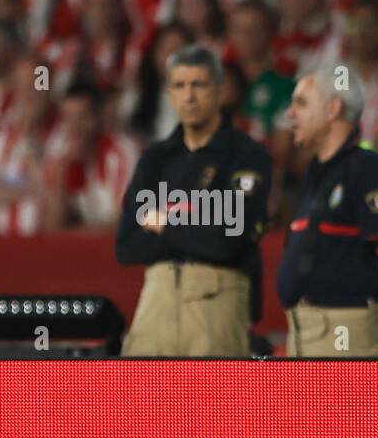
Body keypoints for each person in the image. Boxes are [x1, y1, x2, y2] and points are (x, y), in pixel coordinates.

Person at [115, 45, 271, 356]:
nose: (189, 96)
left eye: (199, 85)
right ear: (169, 93)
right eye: (179, 86)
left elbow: (229, 242)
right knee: (143, 403)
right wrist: (201, 227)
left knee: (213, 403)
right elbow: (127, 246)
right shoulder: (155, 159)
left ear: (220, 90)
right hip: (155, 305)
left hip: (217, 308)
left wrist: (165, 222)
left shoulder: (246, 155)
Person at [277, 64, 378, 356]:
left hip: (345, 336)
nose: (290, 114)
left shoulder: (365, 168)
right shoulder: (316, 173)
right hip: (304, 335)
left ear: (333, 109)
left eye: (301, 103)